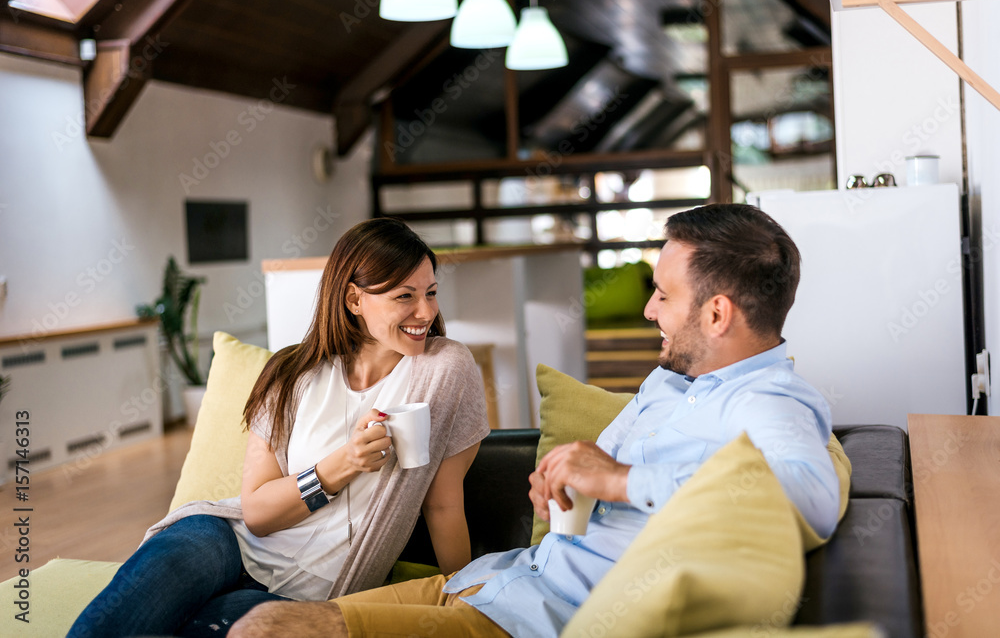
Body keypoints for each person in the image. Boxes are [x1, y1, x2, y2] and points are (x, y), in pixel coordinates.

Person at [229, 203, 842, 638]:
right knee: (247, 620)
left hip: (536, 617)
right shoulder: (670, 384)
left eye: (662, 294)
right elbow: (591, 486)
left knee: (265, 630)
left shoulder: (768, 401)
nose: (649, 309)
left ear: (716, 314)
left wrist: (619, 480)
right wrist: (566, 486)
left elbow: (805, 496)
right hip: (500, 580)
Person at [68, 218, 490, 638]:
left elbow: (443, 507)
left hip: (310, 593)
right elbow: (256, 514)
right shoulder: (292, 371)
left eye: (431, 293)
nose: (426, 311)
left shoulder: (444, 369)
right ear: (353, 299)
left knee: (205, 626)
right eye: (405, 296)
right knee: (120, 616)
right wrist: (342, 465)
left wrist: (468, 607)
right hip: (224, 541)